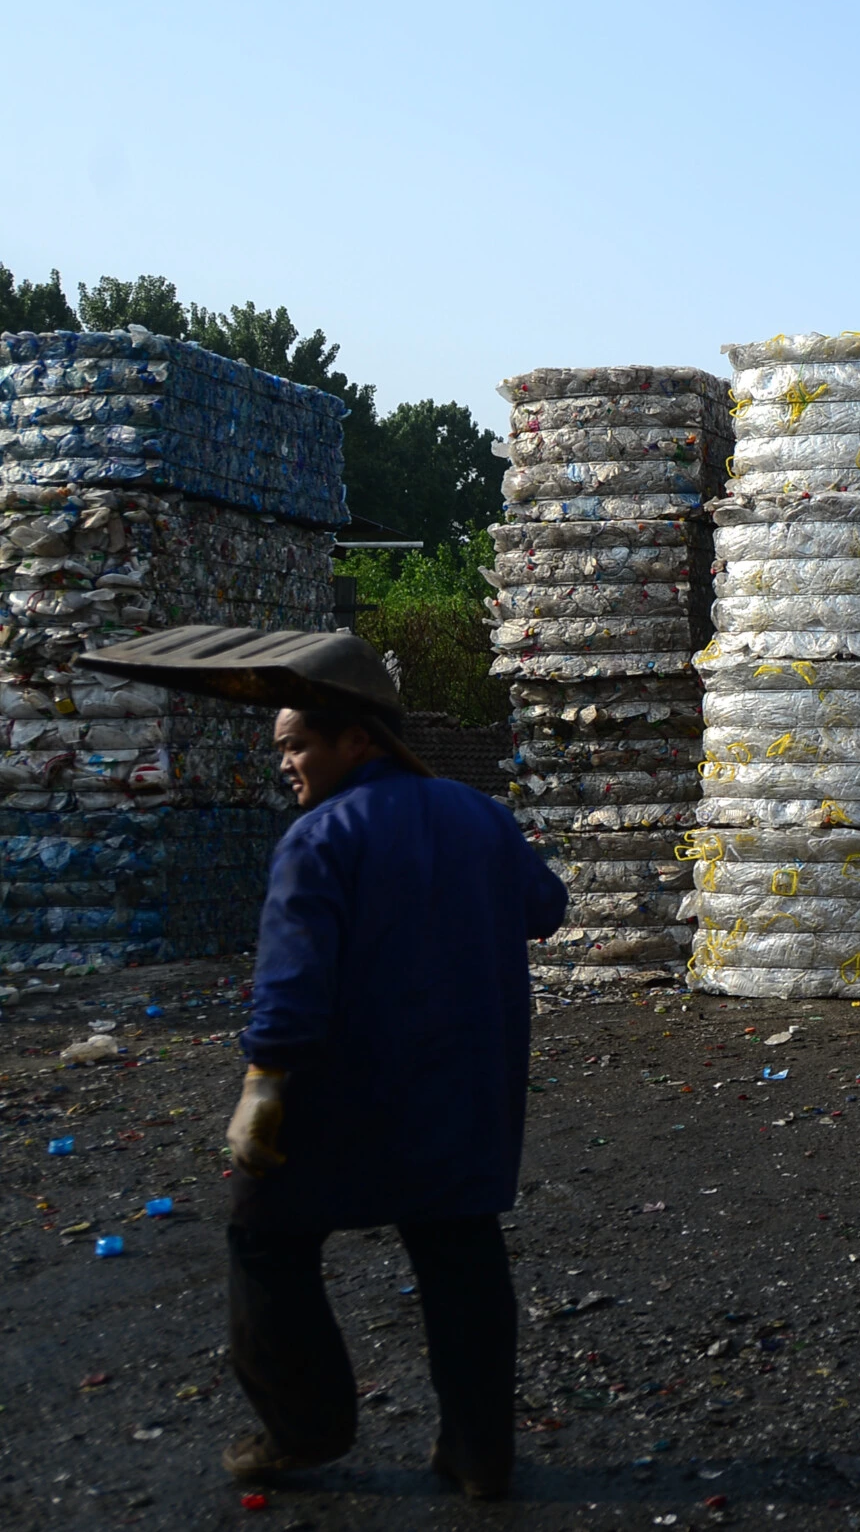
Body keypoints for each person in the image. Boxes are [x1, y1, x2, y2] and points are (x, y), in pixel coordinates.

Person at [75, 626, 568, 1500]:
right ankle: (479, 1452)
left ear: (357, 741)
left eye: (297, 744)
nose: (286, 765)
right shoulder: (482, 816)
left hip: (348, 1086)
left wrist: (262, 1088)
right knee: (458, 1249)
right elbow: (546, 908)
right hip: (465, 1087)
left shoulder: (320, 836)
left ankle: (304, 1427)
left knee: (267, 1238)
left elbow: (293, 982)